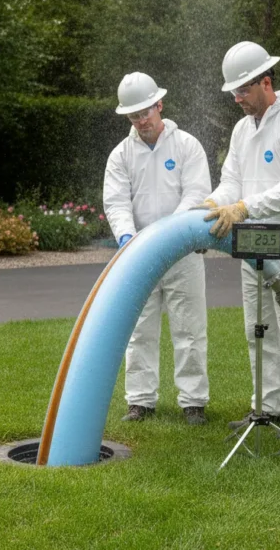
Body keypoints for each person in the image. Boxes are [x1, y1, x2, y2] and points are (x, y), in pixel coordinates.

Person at [195, 41, 280, 437]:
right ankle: (266, 408)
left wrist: (245, 208)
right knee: (259, 325)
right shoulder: (241, 129)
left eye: (243, 91)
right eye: (233, 92)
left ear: (266, 82)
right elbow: (232, 180)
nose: (237, 99)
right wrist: (214, 204)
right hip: (254, 238)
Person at [103, 71, 212, 426]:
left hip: (183, 253)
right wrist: (126, 238)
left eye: (145, 112)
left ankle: (193, 402)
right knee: (140, 330)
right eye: (133, 115)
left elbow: (196, 194)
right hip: (138, 257)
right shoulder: (121, 155)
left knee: (189, 328)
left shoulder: (187, 146)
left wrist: (169, 237)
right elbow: (116, 202)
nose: (141, 120)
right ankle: (140, 401)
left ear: (159, 104)